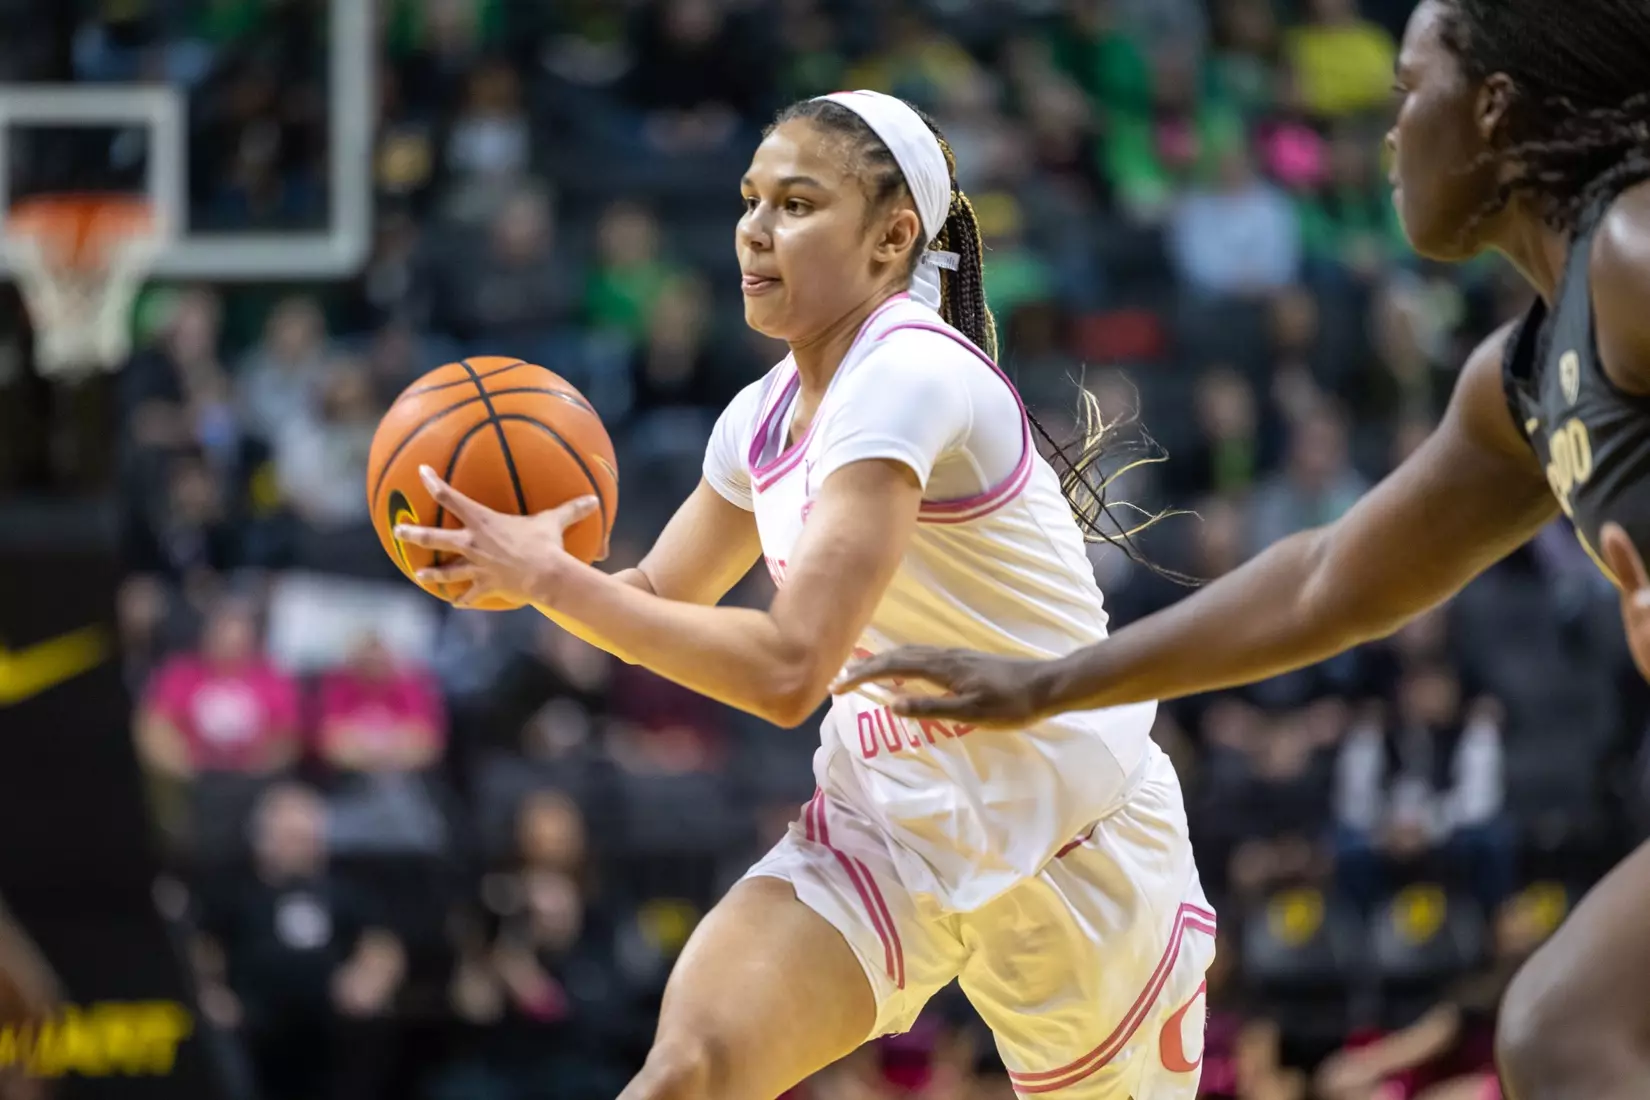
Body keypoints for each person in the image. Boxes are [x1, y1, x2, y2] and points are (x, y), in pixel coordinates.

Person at [837, 4, 1650, 1098]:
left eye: (1410, 93)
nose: (1389, 133)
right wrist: (1049, 683)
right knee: (1563, 1030)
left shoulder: (1632, 251)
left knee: (1569, 1029)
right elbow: (1326, 582)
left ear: (1495, 109)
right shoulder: (1522, 377)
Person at [395, 89, 1214, 1100]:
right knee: (687, 1072)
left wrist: (550, 576)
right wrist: (515, 564)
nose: (753, 228)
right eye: (749, 199)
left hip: (1074, 841)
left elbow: (789, 672)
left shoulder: (911, 372)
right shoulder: (758, 415)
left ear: (892, 237)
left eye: (795, 203)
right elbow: (653, 596)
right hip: (889, 830)